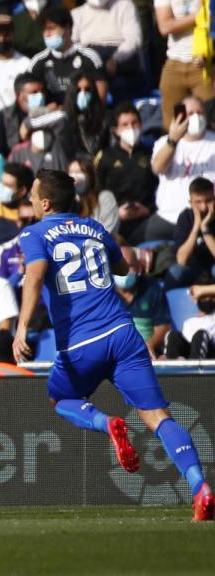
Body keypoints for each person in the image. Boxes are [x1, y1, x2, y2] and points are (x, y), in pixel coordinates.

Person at [12, 169, 214, 522]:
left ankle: (107, 425)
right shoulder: (94, 227)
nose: (28, 200)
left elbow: (36, 274)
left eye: (31, 194)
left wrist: (21, 328)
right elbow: (122, 267)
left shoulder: (34, 232)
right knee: (157, 416)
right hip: (123, 333)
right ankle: (200, 486)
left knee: (60, 399)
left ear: (45, 203)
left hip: (81, 341)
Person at [151, 97, 215, 241]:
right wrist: (173, 139)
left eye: (200, 113)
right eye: (191, 113)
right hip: (169, 218)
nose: (196, 117)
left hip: (208, 218)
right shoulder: (164, 142)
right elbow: (157, 168)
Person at [94, 101, 158, 244]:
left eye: (134, 123)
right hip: (114, 221)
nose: (131, 128)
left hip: (146, 218)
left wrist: (147, 209)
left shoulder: (152, 153)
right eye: (125, 124)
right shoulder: (105, 157)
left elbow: (162, 187)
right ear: (116, 130)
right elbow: (96, 190)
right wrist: (115, 212)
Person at [27, 5, 106, 104]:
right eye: (44, 30)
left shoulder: (89, 57)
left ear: (67, 28)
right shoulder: (38, 61)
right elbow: (28, 94)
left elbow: (101, 98)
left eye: (51, 28)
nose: (47, 34)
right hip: (51, 116)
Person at [154, 0, 213, 129]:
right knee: (172, 125)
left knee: (210, 121)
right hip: (174, 62)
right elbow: (165, 27)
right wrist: (200, 15)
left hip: (206, 65)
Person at [70, 0, 142, 102]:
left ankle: (99, 107)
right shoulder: (76, 13)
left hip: (120, 53)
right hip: (89, 53)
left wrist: (115, 59)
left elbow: (133, 40)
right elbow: (73, 44)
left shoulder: (125, 5)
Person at [113, 245, 171, 359]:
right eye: (119, 266)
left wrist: (149, 345)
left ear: (139, 268)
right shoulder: (105, 293)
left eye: (129, 266)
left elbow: (163, 326)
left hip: (147, 355)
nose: (123, 271)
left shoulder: (152, 288)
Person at [0, 72, 46, 159]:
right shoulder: (2, 118)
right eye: (34, 92)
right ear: (19, 95)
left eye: (42, 91)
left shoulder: (51, 115)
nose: (40, 96)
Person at [169, 177, 215, 287]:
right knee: (175, 272)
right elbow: (181, 260)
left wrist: (204, 228)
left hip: (212, 266)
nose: (204, 207)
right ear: (190, 202)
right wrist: (196, 226)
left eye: (208, 201)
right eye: (198, 202)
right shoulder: (185, 217)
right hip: (192, 267)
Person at [64, 72, 108, 158]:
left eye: (87, 90)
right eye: (78, 90)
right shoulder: (64, 119)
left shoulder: (104, 117)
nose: (83, 94)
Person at [70, 155, 118, 233]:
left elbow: (108, 231)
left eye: (79, 172)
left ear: (90, 175)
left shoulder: (105, 198)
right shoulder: (69, 202)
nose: (74, 176)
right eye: (71, 172)